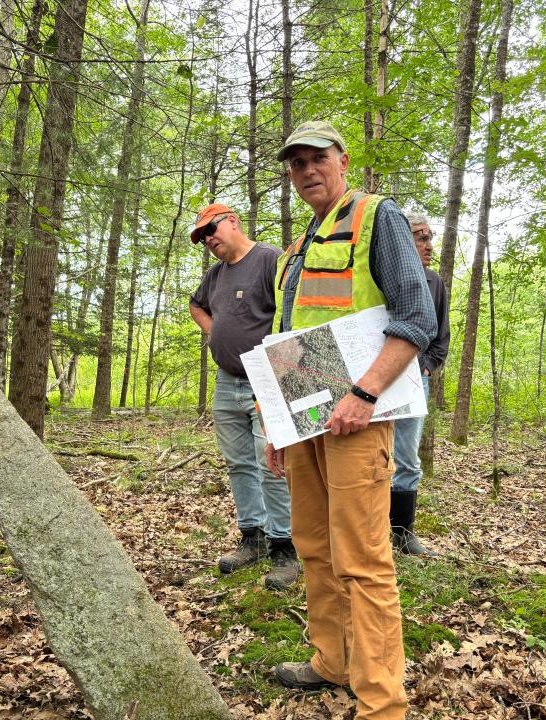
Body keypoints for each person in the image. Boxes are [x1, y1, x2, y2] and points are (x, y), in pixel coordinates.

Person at [264, 121, 436, 719]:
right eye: (297, 163)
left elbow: (417, 316)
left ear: (342, 161)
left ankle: (383, 702)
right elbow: (289, 342)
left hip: (359, 419)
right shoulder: (297, 246)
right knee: (313, 545)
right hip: (306, 419)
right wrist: (277, 424)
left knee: (363, 558)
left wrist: (364, 393)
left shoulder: (375, 217)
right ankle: (331, 662)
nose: (308, 170)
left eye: (318, 158)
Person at [189, 204, 301, 591]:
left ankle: (284, 546)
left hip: (267, 378)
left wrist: (282, 371)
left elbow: (293, 314)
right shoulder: (216, 274)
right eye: (202, 237)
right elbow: (195, 304)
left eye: (211, 229)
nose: (208, 240)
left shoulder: (271, 259)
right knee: (239, 463)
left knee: (271, 462)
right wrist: (216, 329)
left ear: (233, 221)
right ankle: (251, 537)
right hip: (226, 381)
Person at [391, 214, 450, 557]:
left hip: (414, 380)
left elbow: (440, 338)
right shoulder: (381, 280)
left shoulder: (433, 283)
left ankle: (403, 533)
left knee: (407, 459)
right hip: (373, 383)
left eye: (430, 237)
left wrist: (425, 369)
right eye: (420, 237)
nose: (429, 245)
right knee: (370, 457)